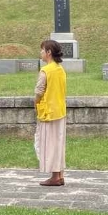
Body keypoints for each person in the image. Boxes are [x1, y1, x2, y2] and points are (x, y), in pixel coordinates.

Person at [35, 39, 67, 187]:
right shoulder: (60, 69)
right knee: (59, 143)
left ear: (48, 53)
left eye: (42, 50)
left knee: (50, 144)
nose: (41, 53)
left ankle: (55, 176)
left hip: (48, 112)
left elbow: (39, 91)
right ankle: (59, 174)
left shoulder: (46, 71)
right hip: (60, 110)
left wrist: (36, 103)